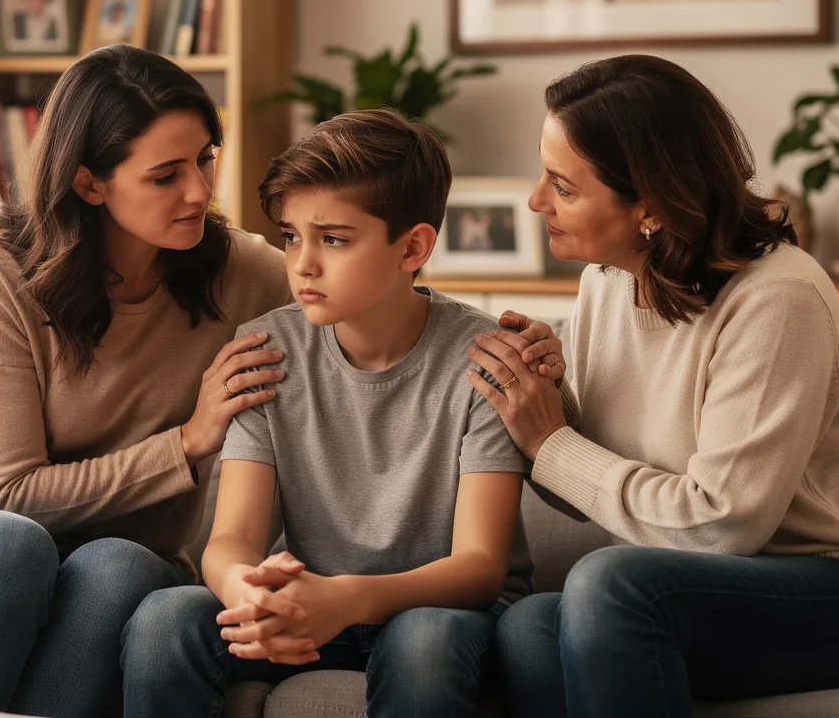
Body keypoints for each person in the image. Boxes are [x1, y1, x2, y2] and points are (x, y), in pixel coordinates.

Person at [468, 54, 839, 716]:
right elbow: (591, 492)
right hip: (710, 592)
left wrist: (553, 444)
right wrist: (547, 404)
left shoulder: (776, 298)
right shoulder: (606, 283)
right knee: (527, 630)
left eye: (563, 187)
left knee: (610, 583)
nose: (535, 201)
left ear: (650, 206)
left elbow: (723, 525)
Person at [0, 45, 293, 718]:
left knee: (119, 563)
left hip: (108, 563)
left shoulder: (240, 271)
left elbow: (365, 295)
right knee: (13, 546)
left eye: (205, 159)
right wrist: (187, 442)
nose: (200, 192)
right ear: (89, 184)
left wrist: (477, 342)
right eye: (165, 176)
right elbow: (10, 496)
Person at [121, 109, 566, 718]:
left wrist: (345, 598)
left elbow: (480, 568)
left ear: (413, 247)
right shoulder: (265, 350)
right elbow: (232, 540)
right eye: (290, 236)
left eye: (333, 239)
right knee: (166, 617)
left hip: (441, 612)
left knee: (425, 643)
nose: (303, 263)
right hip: (314, 608)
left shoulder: (487, 358)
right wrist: (244, 589)